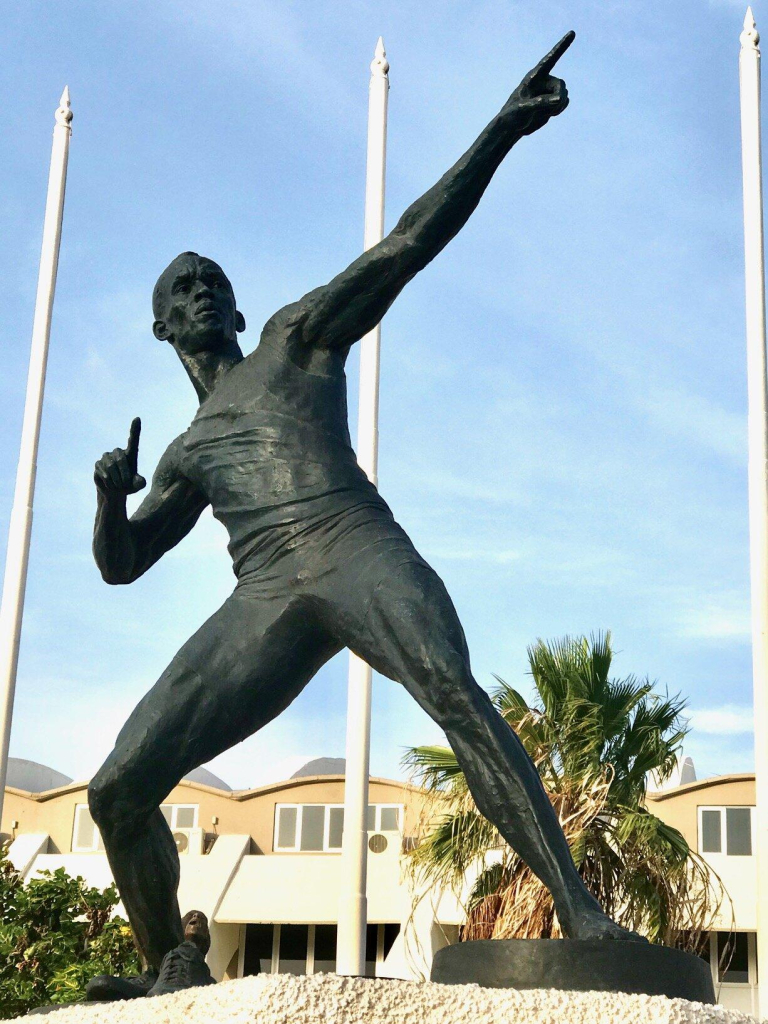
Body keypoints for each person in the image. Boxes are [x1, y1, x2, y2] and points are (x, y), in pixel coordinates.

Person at [86, 31, 638, 1001]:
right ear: (161, 327)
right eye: (181, 288)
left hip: (351, 542)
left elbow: (406, 244)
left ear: (235, 301)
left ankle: (578, 907)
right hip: (264, 594)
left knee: (454, 692)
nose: (201, 289)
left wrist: (498, 132)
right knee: (115, 789)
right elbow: (124, 563)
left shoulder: (296, 338)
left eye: (212, 277)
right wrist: (106, 496)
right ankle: (164, 963)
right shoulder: (182, 451)